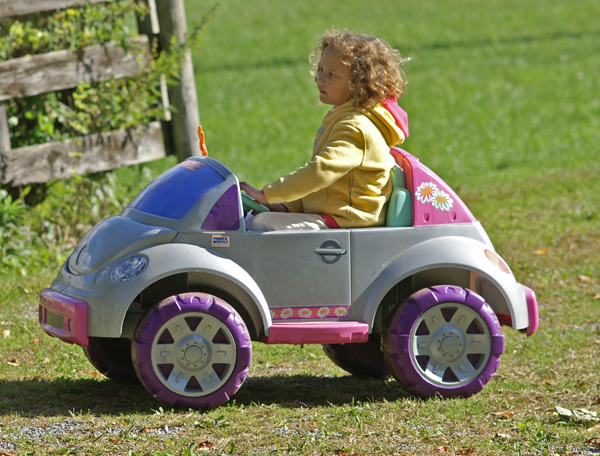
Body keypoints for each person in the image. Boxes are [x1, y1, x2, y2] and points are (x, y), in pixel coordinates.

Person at [240, 30, 409, 231]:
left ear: (359, 84)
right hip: (334, 213)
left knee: (261, 224)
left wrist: (268, 194)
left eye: (332, 74)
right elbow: (323, 189)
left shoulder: (356, 128)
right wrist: (284, 206)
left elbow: (320, 173)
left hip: (347, 221)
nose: (319, 79)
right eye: (320, 69)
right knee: (259, 218)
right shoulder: (343, 117)